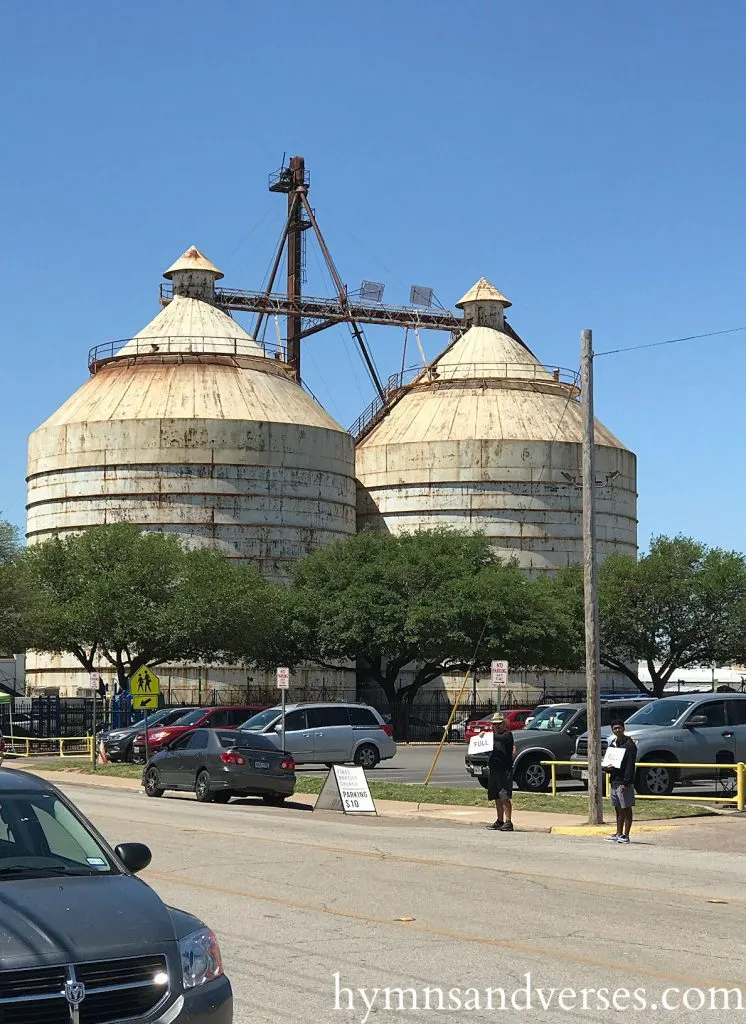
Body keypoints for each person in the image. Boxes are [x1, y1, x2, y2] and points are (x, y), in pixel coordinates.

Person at [603, 717, 637, 844]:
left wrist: (626, 782)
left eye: (619, 728)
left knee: (626, 808)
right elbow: (609, 762)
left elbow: (630, 766)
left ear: (623, 728)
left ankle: (626, 835)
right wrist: (607, 768)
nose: (617, 730)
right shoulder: (614, 743)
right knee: (618, 808)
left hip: (624, 782)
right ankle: (618, 833)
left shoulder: (629, 745)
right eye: (614, 728)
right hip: (614, 781)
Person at [485, 714, 515, 832]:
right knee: (496, 796)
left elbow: (501, 739)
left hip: (504, 770)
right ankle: (499, 820)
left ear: (504, 724)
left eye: (499, 724)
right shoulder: (493, 738)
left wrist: (487, 736)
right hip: (494, 769)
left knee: (504, 796)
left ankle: (508, 821)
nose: (496, 726)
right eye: (494, 724)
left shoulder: (507, 735)